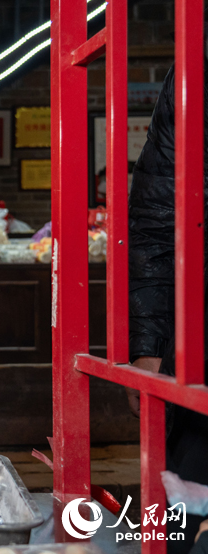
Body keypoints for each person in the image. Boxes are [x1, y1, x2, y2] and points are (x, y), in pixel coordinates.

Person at [128, 64, 208, 554]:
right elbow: (159, 217)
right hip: (201, 353)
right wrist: (149, 345)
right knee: (174, 530)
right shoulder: (197, 68)